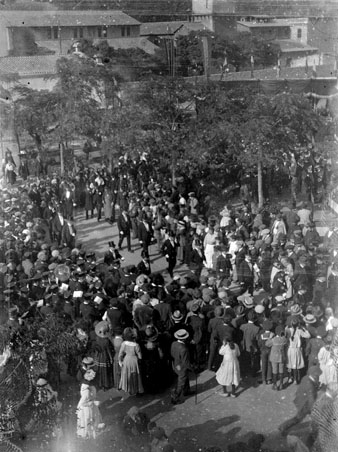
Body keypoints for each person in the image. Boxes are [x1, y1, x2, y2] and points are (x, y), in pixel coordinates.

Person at [279, 365, 322, 436]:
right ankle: (283, 427)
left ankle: (283, 427)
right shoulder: (310, 385)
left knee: (302, 418)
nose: (318, 376)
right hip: (305, 405)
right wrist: (314, 409)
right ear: (314, 374)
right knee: (298, 418)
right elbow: (311, 399)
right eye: (317, 374)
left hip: (301, 400)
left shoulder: (306, 378)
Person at [76, 370, 105, 439]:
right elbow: (84, 401)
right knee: (89, 420)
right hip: (88, 408)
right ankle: (89, 434)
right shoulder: (86, 388)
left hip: (91, 407)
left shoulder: (87, 385)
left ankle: (90, 434)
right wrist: (94, 402)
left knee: (90, 421)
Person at [170, 328, 194, 405]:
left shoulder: (173, 343)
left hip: (176, 364)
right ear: (184, 339)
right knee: (181, 382)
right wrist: (192, 368)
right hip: (182, 367)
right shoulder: (184, 349)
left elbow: (172, 354)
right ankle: (175, 397)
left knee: (184, 378)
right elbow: (186, 362)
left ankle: (186, 390)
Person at [118, 327, 144, 396]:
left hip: (126, 360)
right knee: (136, 375)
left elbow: (120, 354)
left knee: (127, 374)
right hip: (134, 361)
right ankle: (136, 389)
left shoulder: (124, 344)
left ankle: (128, 388)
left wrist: (120, 361)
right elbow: (140, 356)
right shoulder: (136, 345)